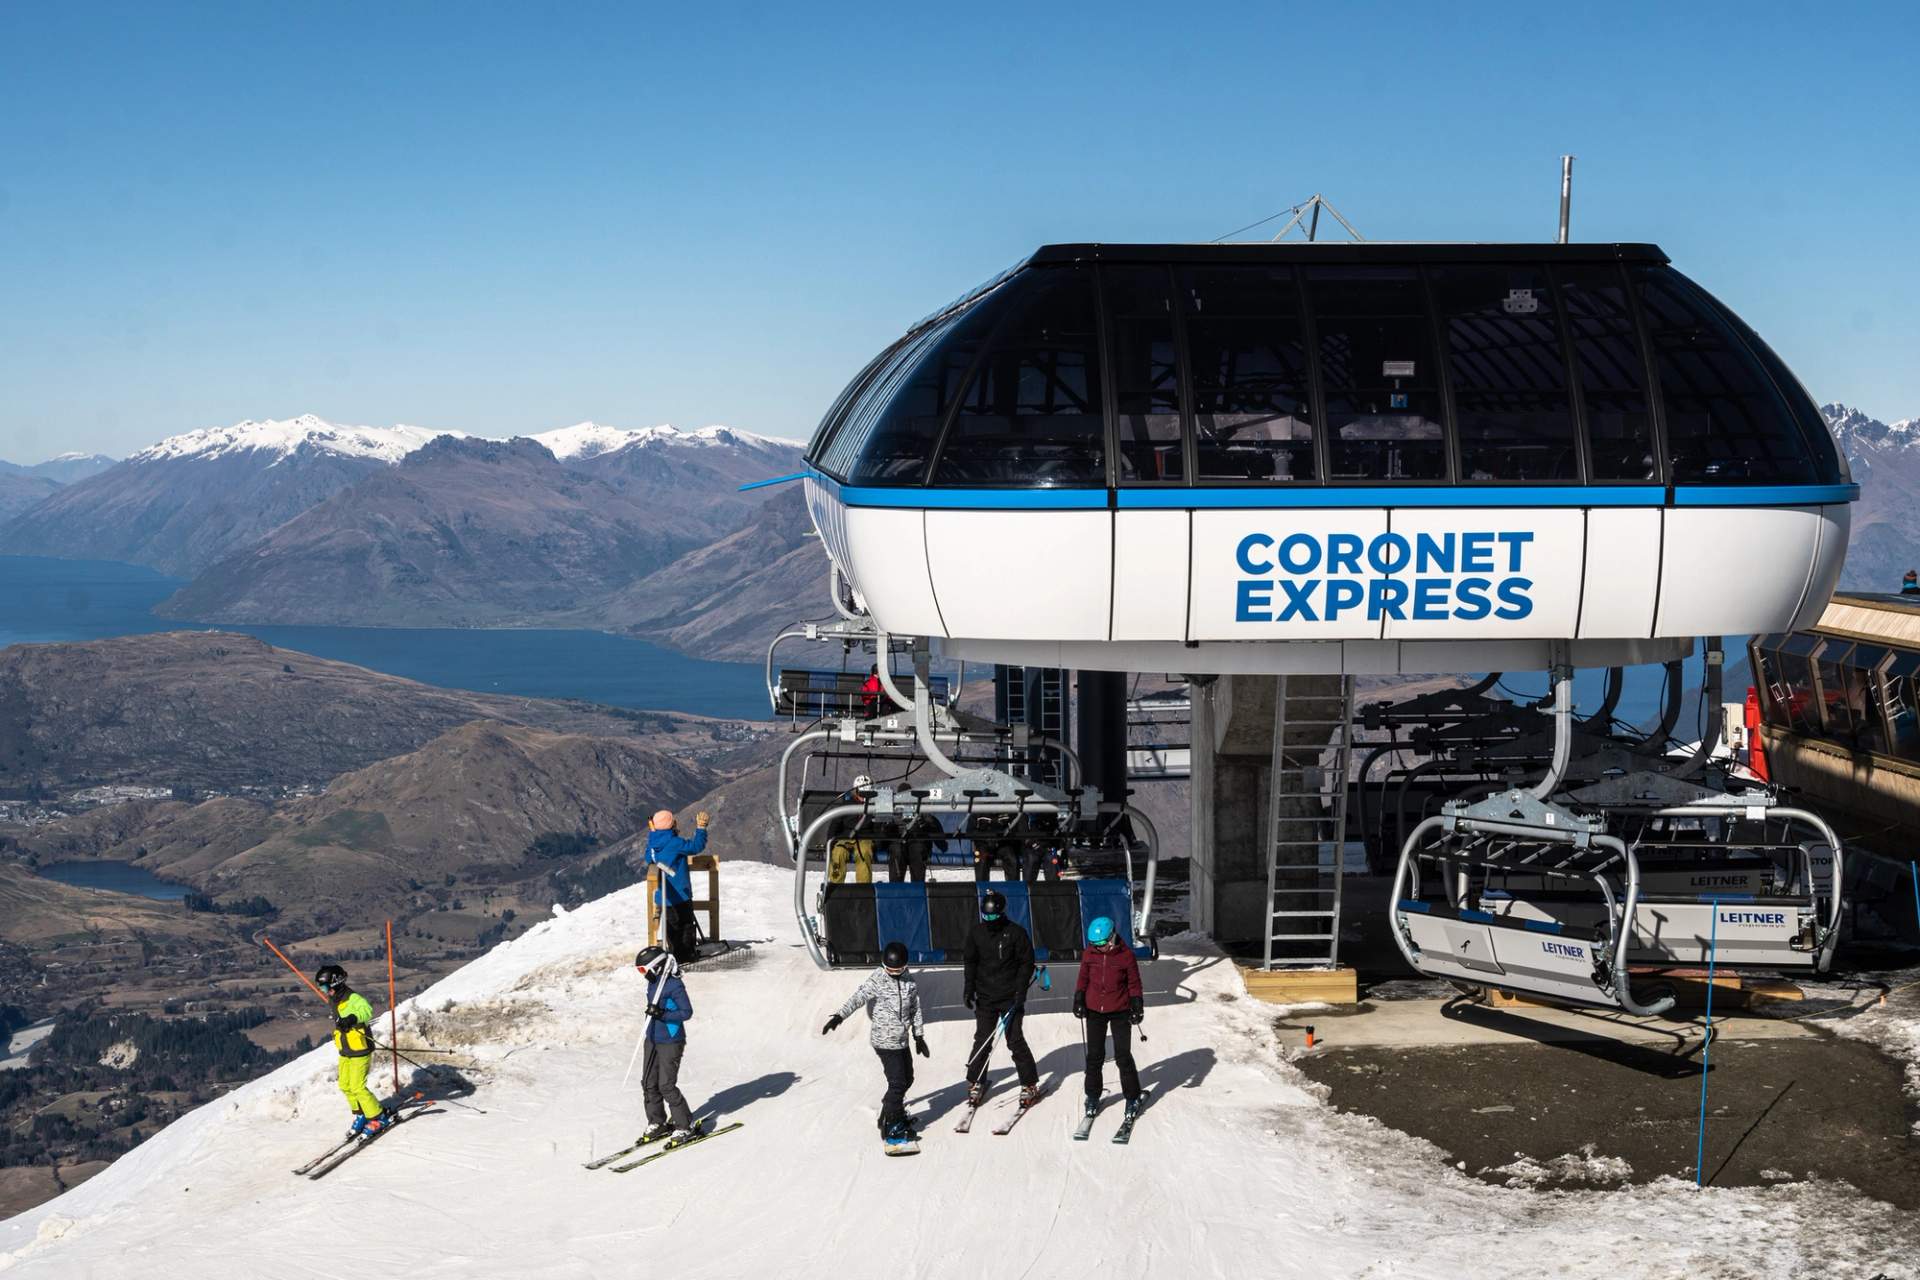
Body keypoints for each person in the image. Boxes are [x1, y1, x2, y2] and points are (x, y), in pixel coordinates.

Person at [823, 940, 928, 1142]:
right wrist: (839, 1016)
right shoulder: (878, 978)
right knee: (897, 1083)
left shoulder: (909, 981)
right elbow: (859, 997)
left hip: (901, 1040)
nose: (894, 973)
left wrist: (919, 1036)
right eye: (890, 969)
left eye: (899, 970)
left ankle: (888, 1112)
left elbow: (915, 1009)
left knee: (908, 1079)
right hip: (883, 1040)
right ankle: (893, 1125)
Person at [961, 888, 1039, 1109]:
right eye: (986, 916)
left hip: (1010, 996)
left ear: (1002, 913)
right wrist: (968, 989)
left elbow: (1026, 963)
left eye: (994, 916)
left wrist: (1020, 991)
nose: (990, 920)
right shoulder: (977, 933)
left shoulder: (1016, 933)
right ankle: (976, 1081)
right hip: (985, 996)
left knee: (1014, 1040)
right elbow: (970, 962)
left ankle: (1029, 1083)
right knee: (983, 1039)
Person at [1072, 916, 1145, 1123]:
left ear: (1112, 937)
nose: (1098, 948)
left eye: (1102, 944)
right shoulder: (1090, 954)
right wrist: (1079, 998)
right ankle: (1092, 1095)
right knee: (1094, 1056)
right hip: (1094, 1009)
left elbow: (1134, 983)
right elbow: (1083, 978)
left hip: (1120, 1009)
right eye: (1094, 944)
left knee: (1123, 1056)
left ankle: (1132, 1097)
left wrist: (1137, 1004)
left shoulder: (1126, 956)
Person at [315, 964, 396, 1139]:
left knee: (358, 1086)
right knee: (345, 1085)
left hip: (360, 1048)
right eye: (320, 987)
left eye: (324, 987)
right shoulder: (334, 998)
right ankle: (362, 1114)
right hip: (345, 1049)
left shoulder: (353, 998)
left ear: (335, 984)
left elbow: (367, 1011)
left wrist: (351, 1018)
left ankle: (379, 1117)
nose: (322, 990)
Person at [634, 946, 696, 1144]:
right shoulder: (654, 983)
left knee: (666, 1085)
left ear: (657, 967)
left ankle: (684, 1126)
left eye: (644, 970)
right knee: (648, 1083)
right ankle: (657, 1122)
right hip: (651, 1038)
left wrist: (662, 1014)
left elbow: (686, 1012)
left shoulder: (674, 985)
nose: (644, 975)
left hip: (670, 1040)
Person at [644, 809, 711, 963]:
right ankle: (685, 956)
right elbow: (695, 847)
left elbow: (649, 858)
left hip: (664, 896)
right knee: (686, 924)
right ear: (671, 824)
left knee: (671, 927)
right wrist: (701, 828)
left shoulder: (652, 844)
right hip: (681, 893)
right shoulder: (675, 843)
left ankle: (674, 954)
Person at [827, 776, 878, 885]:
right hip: (846, 836)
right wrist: (830, 841)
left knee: (864, 852)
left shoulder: (874, 806)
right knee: (838, 852)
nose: (863, 797)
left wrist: (878, 842)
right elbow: (836, 822)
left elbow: (878, 825)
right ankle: (835, 884)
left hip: (865, 837)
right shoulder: (847, 804)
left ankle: (863, 887)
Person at [893, 811, 948, 884]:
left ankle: (916, 889)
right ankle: (896, 890)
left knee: (915, 849)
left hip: (917, 852)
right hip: (901, 851)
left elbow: (942, 845)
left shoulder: (926, 819)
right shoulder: (894, 819)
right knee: (897, 849)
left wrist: (931, 823)